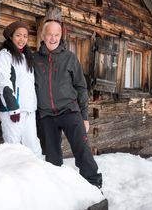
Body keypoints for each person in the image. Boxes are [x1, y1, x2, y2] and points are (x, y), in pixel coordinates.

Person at [33, 19, 102, 188]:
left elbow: (81, 86)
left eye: (57, 35)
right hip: (46, 115)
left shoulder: (69, 58)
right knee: (51, 157)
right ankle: (58, 191)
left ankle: (93, 185)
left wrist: (84, 116)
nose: (53, 38)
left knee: (82, 151)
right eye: (50, 34)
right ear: (43, 35)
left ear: (61, 36)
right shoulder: (34, 59)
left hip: (70, 111)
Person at [0, 21, 43, 158]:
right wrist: (13, 107)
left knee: (33, 144)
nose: (22, 39)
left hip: (29, 108)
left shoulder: (26, 56)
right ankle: (13, 177)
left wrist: (34, 105)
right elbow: (3, 81)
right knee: (13, 146)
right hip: (13, 109)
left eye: (25, 36)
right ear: (11, 36)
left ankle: (38, 173)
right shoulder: (5, 54)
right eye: (18, 35)